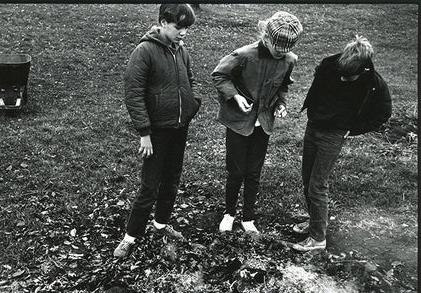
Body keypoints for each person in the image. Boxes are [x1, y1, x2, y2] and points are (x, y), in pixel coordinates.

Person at [114, 4, 201, 258]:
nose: (183, 33)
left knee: (172, 179)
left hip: (178, 128)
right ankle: (130, 237)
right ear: (163, 22)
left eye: (187, 28)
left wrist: (193, 104)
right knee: (150, 186)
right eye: (178, 27)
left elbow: (191, 79)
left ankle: (161, 225)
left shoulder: (181, 50)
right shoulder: (144, 51)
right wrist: (144, 132)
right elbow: (134, 93)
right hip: (156, 133)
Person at [292, 35, 392, 251]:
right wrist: (313, 113)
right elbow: (317, 89)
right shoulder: (330, 65)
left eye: (350, 77)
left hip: (334, 135)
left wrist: (353, 130)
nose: (345, 80)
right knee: (307, 179)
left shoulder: (374, 83)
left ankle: (318, 239)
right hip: (314, 126)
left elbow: (383, 113)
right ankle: (315, 222)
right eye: (343, 75)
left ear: (364, 69)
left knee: (317, 184)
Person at [211, 11, 303, 234]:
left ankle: (248, 218)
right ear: (267, 38)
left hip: (263, 123)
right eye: (277, 50)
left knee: (253, 172)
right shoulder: (244, 55)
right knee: (236, 172)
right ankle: (229, 213)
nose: (282, 55)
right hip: (238, 122)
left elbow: (282, 86)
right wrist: (235, 96)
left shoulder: (289, 60)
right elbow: (219, 76)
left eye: (286, 51)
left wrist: (280, 104)